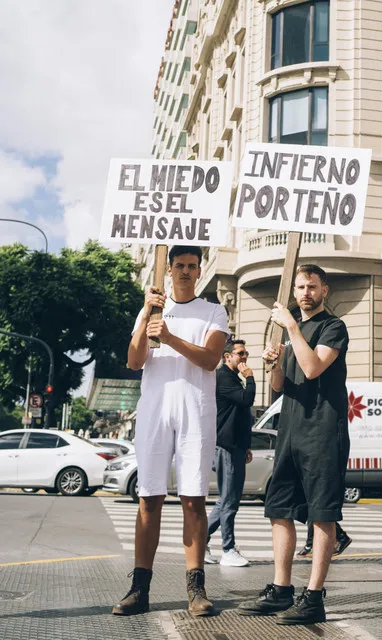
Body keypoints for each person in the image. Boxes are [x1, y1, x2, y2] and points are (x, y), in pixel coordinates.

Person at [113, 245, 229, 618]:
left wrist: (171, 337)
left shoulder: (214, 311)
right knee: (149, 497)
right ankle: (139, 587)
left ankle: (196, 588)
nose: (184, 271)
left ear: (200, 271)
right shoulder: (151, 311)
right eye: (178, 265)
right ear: (169, 270)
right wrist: (148, 313)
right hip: (154, 410)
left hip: (195, 411)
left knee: (193, 499)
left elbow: (211, 359)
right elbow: (134, 360)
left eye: (191, 266)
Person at [238, 264, 349, 626]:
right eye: (300, 286)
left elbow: (314, 367)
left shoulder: (333, 327)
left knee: (321, 513)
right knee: (280, 508)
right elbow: (280, 386)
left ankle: (314, 597)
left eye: (311, 286)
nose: (304, 292)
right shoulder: (293, 333)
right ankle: (281, 588)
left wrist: (290, 328)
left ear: (324, 291)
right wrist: (273, 364)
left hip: (322, 432)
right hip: (290, 431)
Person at [204, 339, 255, 567]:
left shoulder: (232, 378)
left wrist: (246, 445)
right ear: (227, 356)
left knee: (226, 499)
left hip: (235, 446)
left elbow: (242, 416)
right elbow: (247, 400)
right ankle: (227, 549)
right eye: (240, 354)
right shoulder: (223, 377)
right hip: (226, 446)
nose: (244, 358)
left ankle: (199, 541)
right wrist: (251, 378)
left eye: (245, 354)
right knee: (230, 501)